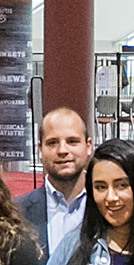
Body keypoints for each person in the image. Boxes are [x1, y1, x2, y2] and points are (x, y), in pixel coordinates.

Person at [27, 106, 93, 254]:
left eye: (72, 141)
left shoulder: (108, 208)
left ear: (88, 147)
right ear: (40, 150)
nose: (62, 150)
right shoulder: (17, 214)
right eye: (52, 143)